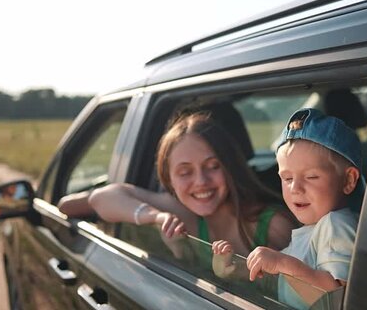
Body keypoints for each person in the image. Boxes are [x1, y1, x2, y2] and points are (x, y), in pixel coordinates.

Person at [212, 108, 365, 309]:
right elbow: (281, 280)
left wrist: (282, 264)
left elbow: (336, 300)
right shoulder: (311, 230)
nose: (295, 188)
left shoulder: (336, 224)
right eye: (287, 178)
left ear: (348, 180)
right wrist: (235, 269)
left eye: (311, 177)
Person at [89, 110, 296, 258]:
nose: (201, 182)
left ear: (229, 166)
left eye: (213, 166)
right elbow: (100, 198)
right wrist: (157, 217)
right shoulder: (184, 215)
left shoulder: (275, 226)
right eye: (185, 172)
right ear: (169, 180)